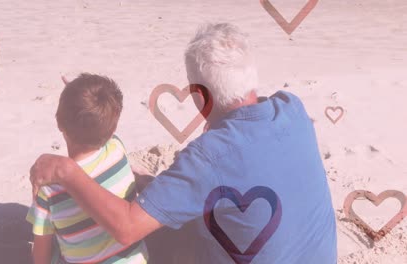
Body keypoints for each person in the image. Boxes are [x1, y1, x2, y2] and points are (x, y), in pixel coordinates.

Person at [29, 23, 337, 263]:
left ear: (199, 97)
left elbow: (126, 228)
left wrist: (66, 170)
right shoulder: (292, 108)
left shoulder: (208, 157)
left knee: (159, 229)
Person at [26, 74, 148, 264]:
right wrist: (92, 105)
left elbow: (40, 253)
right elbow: (106, 126)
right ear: (113, 128)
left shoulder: (49, 189)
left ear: (58, 122)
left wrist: (75, 102)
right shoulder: (117, 149)